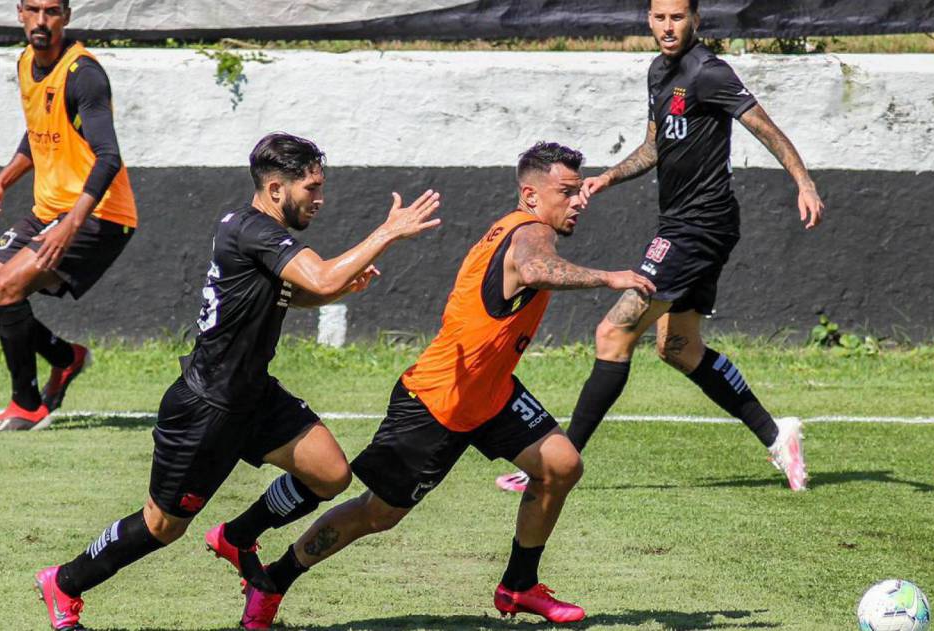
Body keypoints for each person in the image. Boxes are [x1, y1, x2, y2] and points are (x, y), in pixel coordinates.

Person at [236, 142, 656, 628]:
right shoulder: (530, 232)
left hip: (491, 392)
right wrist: (609, 277)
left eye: (581, 190)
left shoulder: (522, 229)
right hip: (438, 401)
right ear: (531, 195)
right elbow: (537, 268)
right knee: (377, 515)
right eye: (568, 191)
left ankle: (518, 586)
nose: (580, 200)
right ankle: (273, 579)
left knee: (560, 465)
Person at [33, 133, 442, 630]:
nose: (320, 198)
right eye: (311, 187)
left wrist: (336, 284)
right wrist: (388, 233)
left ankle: (239, 534)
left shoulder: (254, 231)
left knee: (330, 474)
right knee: (162, 526)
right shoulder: (256, 230)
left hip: (253, 395)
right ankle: (65, 582)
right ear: (275, 189)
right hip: (206, 408)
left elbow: (290, 293)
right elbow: (319, 279)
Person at [496, 0, 825, 495]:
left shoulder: (710, 72)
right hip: (688, 225)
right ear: (649, 20)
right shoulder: (658, 72)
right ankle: (777, 435)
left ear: (695, 19)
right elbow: (656, 145)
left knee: (612, 333)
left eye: (677, 17)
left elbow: (766, 129)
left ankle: (556, 463)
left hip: (697, 227)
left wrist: (804, 182)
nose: (667, 27)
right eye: (659, 17)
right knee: (679, 348)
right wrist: (608, 176)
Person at [0, 0, 137, 430]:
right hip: (48, 210)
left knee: (8, 286)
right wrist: (3, 181)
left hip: (100, 214)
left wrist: (70, 225)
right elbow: (39, 131)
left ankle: (27, 405)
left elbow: (108, 157)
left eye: (53, 11)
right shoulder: (25, 63)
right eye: (34, 10)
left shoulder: (85, 74)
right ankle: (65, 357)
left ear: (67, 17)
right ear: (19, 13)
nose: (42, 21)